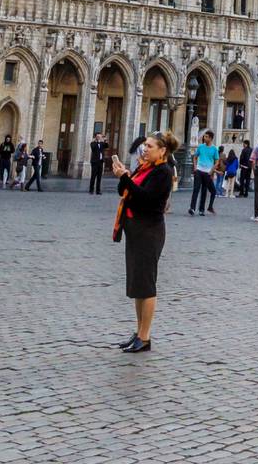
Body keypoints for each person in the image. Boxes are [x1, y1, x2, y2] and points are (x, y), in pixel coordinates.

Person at [111, 130, 179, 353]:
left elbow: (145, 198)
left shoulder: (163, 172)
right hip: (135, 230)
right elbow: (125, 192)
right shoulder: (144, 167)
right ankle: (139, 332)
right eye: (145, 145)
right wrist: (123, 176)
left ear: (162, 150)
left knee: (147, 285)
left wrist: (125, 179)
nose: (145, 149)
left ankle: (145, 336)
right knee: (137, 284)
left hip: (149, 231)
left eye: (150, 146)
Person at [188, 129, 219, 216]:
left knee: (204, 191)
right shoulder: (200, 147)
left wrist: (212, 171)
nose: (204, 138)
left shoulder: (214, 149)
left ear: (210, 138)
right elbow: (195, 157)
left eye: (206, 136)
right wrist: (195, 166)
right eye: (204, 136)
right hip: (199, 170)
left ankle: (201, 209)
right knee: (196, 189)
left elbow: (217, 162)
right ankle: (192, 208)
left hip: (207, 172)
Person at [89, 131, 108, 196]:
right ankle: (91, 190)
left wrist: (105, 140)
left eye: (100, 136)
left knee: (99, 177)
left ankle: (98, 191)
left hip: (100, 162)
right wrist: (97, 141)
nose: (99, 137)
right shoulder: (93, 143)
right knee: (93, 177)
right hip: (94, 162)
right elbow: (93, 148)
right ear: (96, 137)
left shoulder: (102, 143)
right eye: (98, 136)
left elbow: (106, 146)